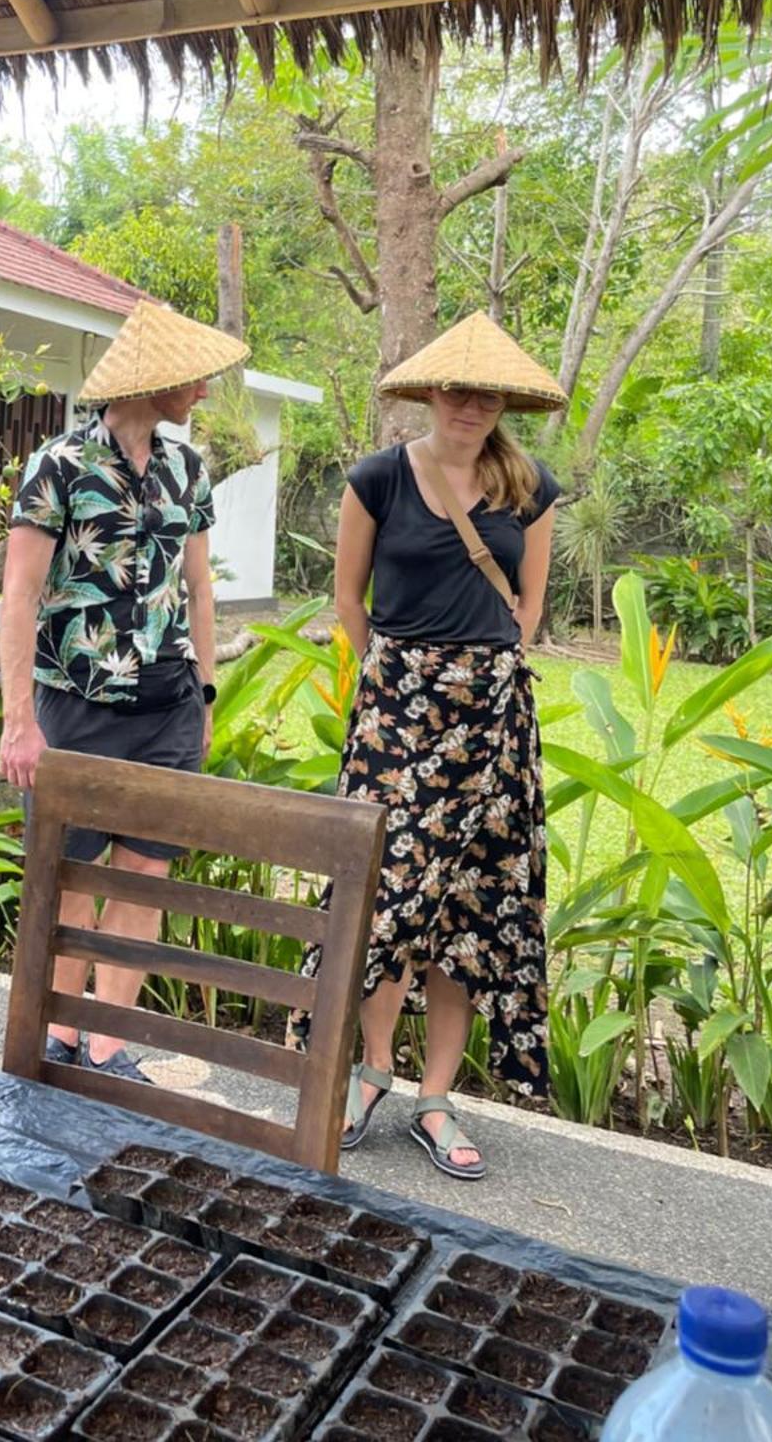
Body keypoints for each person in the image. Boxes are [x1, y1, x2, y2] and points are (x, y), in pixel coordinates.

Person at [320, 310, 566, 1180]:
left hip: (491, 724)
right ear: (430, 391)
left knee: (467, 912)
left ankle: (436, 1096)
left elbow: (529, 602)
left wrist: (487, 676)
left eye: (486, 393)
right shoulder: (380, 477)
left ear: (503, 403)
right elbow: (349, 593)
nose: (470, 404)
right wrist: (387, 679)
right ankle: (372, 1070)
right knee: (387, 898)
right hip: (396, 718)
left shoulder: (529, 485)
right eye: (457, 389)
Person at [0, 301, 249, 1082]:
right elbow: (19, 595)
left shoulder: (187, 468)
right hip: (74, 706)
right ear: (156, 378)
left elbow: (201, 587)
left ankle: (107, 1045)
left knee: (145, 872)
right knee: (70, 875)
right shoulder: (61, 465)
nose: (204, 392)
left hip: (168, 708)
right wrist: (17, 722)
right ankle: (58, 1036)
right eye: (195, 379)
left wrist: (205, 694)